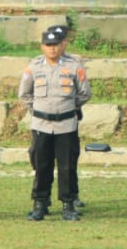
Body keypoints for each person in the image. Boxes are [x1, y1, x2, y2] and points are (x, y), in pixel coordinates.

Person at [19, 29, 91, 221]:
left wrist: (66, 107)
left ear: (62, 46)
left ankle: (68, 205)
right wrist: (39, 111)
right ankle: (40, 204)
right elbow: (24, 95)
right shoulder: (33, 67)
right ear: (42, 47)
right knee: (42, 165)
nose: (52, 49)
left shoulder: (74, 66)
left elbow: (84, 93)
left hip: (66, 124)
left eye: (55, 45)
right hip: (41, 124)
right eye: (48, 45)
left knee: (67, 166)